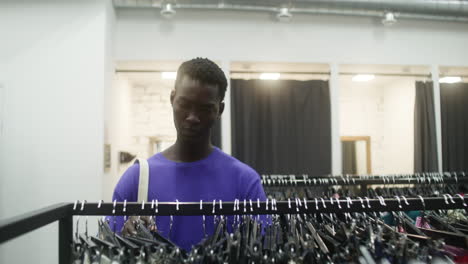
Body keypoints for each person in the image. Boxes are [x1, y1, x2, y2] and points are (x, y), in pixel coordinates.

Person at [109, 58, 268, 252]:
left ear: (220, 110)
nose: (192, 117)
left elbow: (262, 251)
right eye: (185, 104)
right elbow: (110, 250)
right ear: (172, 99)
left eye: (205, 108)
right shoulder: (137, 179)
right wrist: (125, 239)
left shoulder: (245, 182)